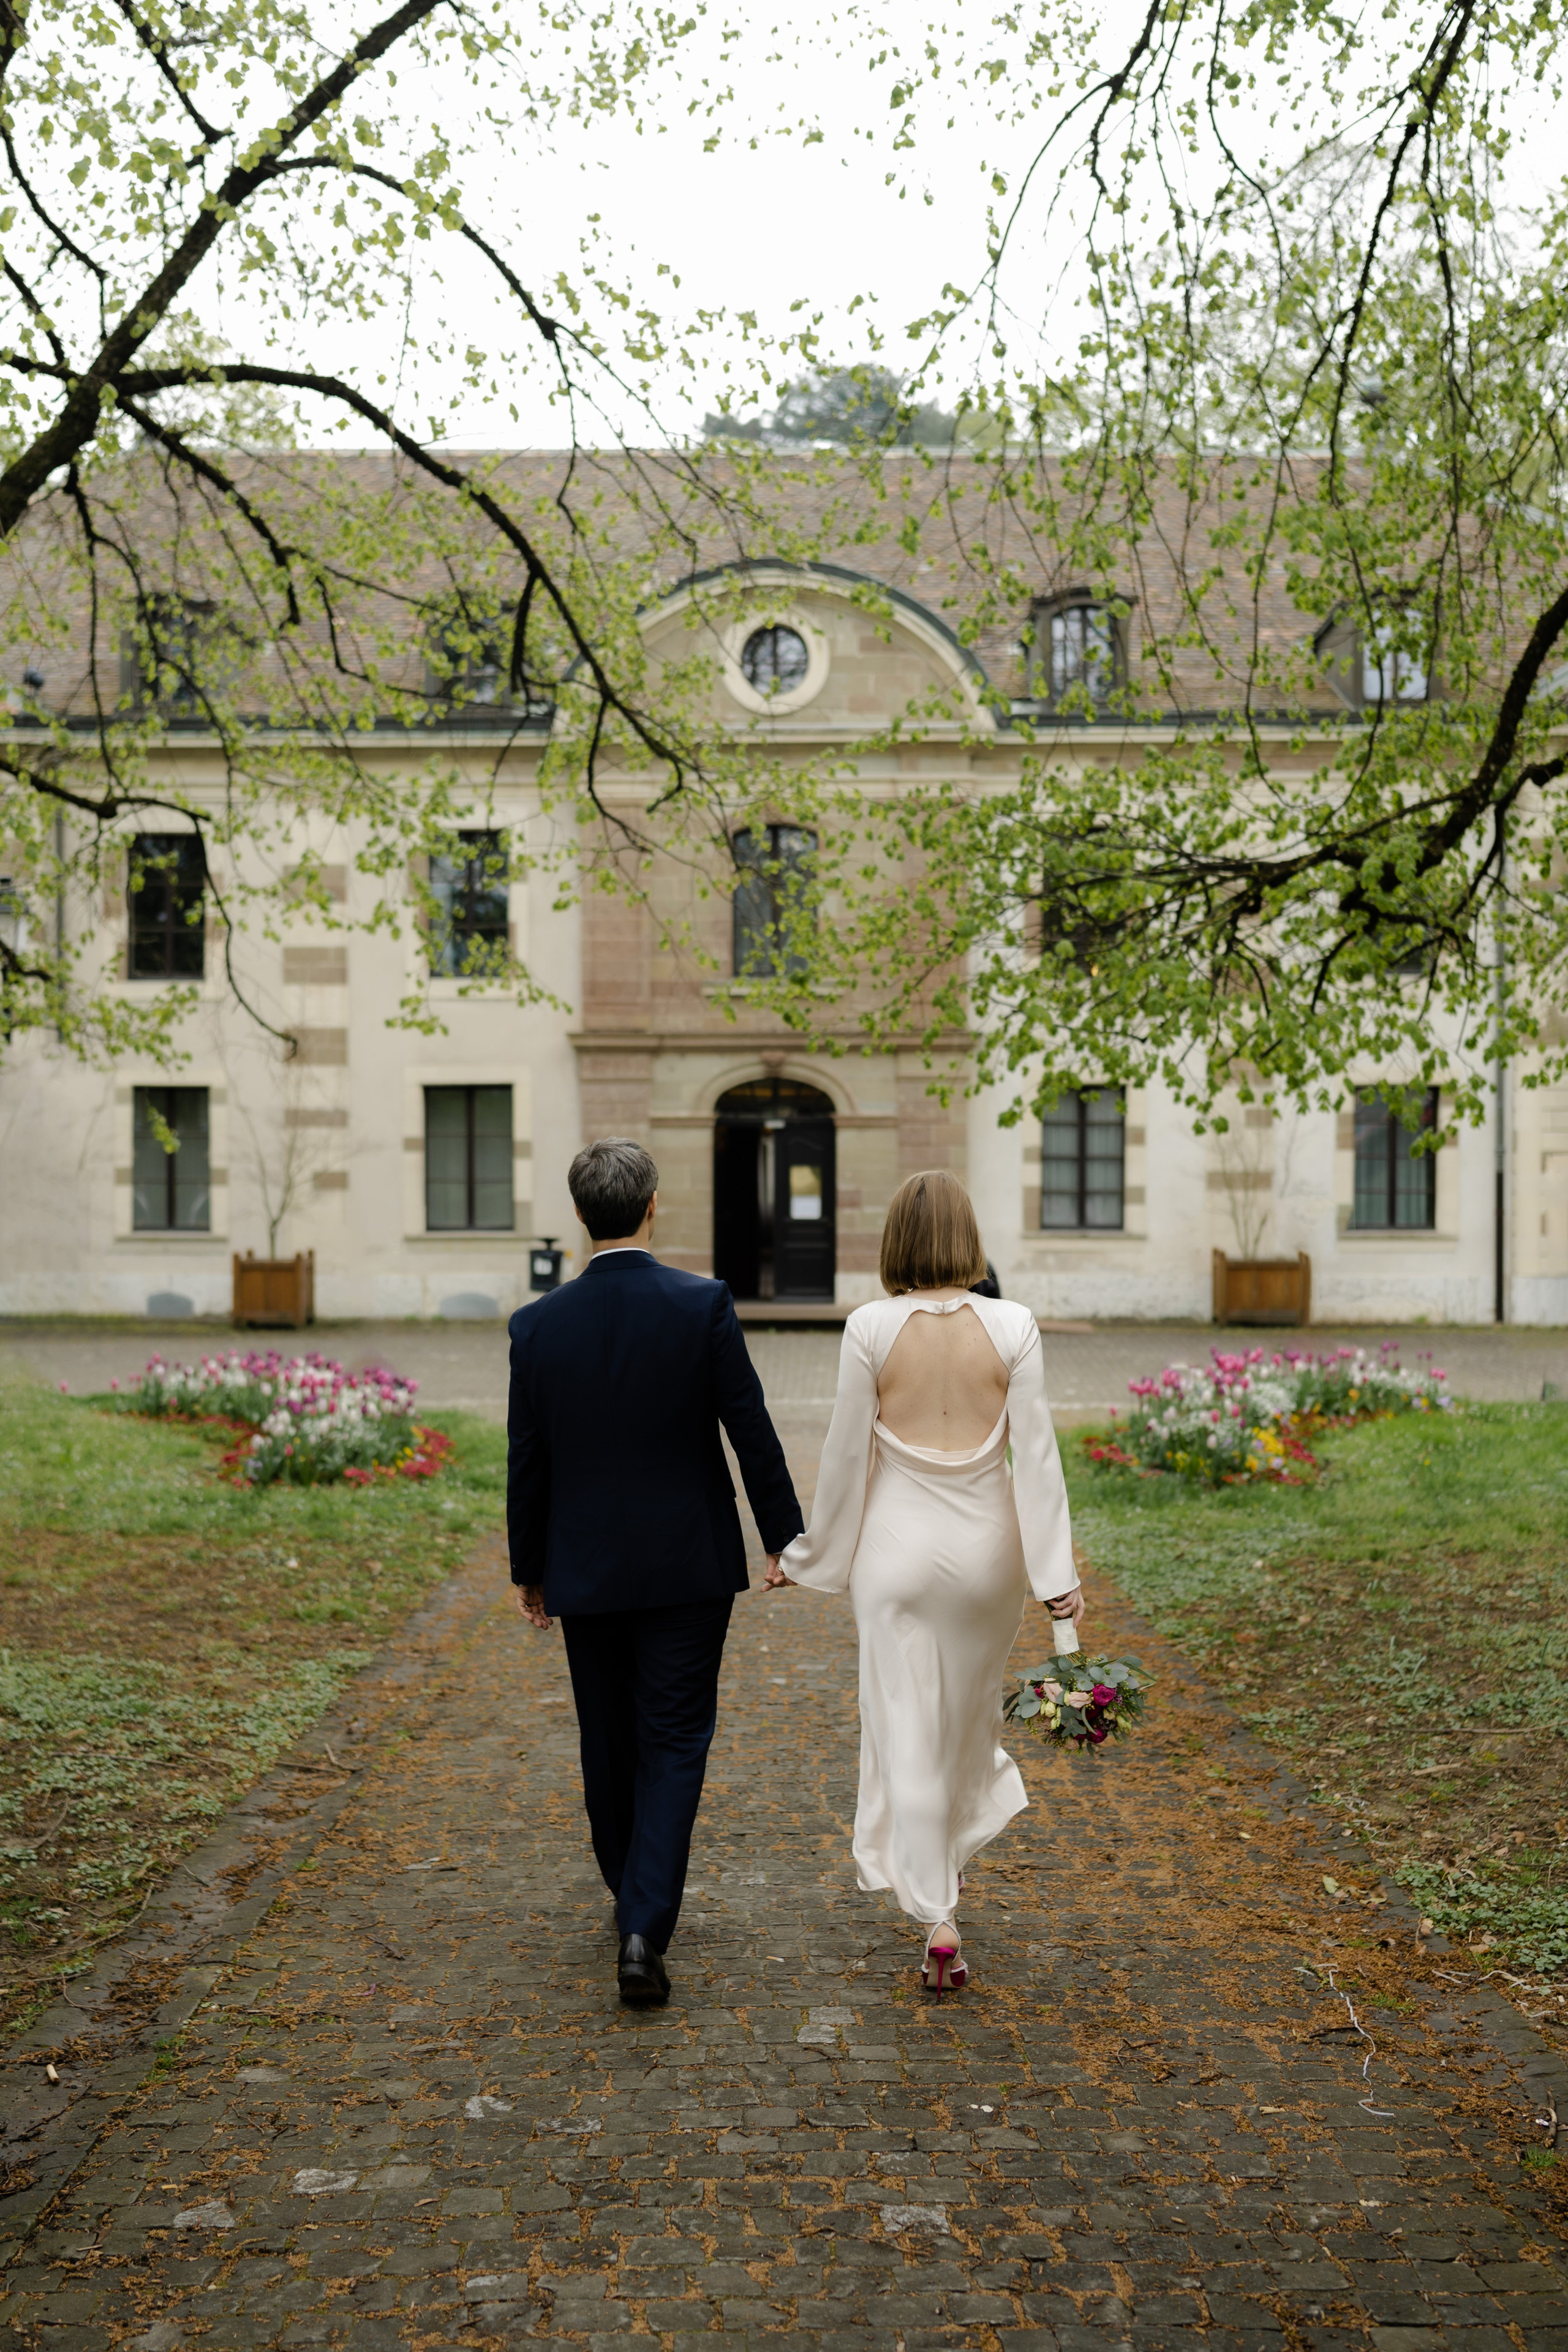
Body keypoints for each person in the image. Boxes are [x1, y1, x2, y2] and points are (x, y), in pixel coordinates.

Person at [767, 1169, 1082, 1993]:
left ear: (896, 1242)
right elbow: (1036, 1461)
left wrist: (808, 1557)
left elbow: (844, 1457)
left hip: (895, 1558)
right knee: (967, 1724)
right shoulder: (1014, 1325)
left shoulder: (870, 1327)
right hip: (987, 1560)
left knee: (905, 1726)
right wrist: (1059, 1578)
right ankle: (947, 1869)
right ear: (969, 1238)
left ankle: (938, 1915)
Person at [508, 1137, 803, 2006]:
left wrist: (530, 1567)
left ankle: (629, 1894)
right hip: (688, 1567)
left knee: (607, 1737)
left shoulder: (538, 1324)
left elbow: (529, 1460)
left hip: (587, 1567)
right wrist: (782, 1536)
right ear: (653, 1206)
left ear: (578, 1215)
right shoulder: (700, 1304)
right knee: (674, 1740)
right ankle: (644, 1922)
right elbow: (749, 1427)